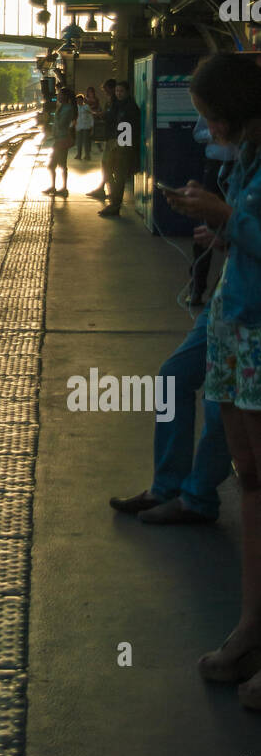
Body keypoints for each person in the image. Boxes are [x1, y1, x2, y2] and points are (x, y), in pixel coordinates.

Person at [165, 54, 261, 707]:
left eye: (206, 117)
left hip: (259, 338)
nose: (204, 129)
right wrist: (221, 226)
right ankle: (253, 624)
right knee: (251, 482)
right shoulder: (247, 158)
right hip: (238, 331)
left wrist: (225, 217)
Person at [109, 304, 232, 525]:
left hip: (250, 306)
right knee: (172, 377)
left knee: (220, 402)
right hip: (226, 295)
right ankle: (167, 487)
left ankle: (198, 499)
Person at [189, 114, 237, 307]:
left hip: (236, 165)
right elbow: (197, 134)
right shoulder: (210, 108)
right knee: (205, 224)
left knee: (234, 221)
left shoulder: (243, 108)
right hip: (214, 165)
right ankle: (197, 287)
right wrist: (214, 133)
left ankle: (223, 290)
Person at [98, 80, 140, 218]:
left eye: (121, 91)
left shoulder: (130, 107)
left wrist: (120, 143)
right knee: (108, 169)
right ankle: (114, 201)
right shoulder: (116, 105)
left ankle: (115, 204)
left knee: (119, 174)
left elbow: (129, 127)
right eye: (117, 91)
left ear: (127, 92)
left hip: (123, 144)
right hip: (113, 141)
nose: (118, 93)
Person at [43, 87, 74, 198]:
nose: (58, 97)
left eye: (60, 95)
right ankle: (55, 187)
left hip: (63, 139)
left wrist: (57, 113)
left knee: (60, 165)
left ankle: (63, 188)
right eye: (58, 95)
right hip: (58, 139)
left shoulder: (68, 108)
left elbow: (61, 123)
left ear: (65, 96)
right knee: (54, 165)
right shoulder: (61, 107)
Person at [74, 93, 93, 161]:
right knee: (78, 142)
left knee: (86, 142)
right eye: (78, 100)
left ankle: (87, 155)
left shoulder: (86, 107)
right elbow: (74, 117)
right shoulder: (76, 108)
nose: (79, 102)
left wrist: (92, 126)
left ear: (82, 100)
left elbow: (90, 116)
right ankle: (79, 154)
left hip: (86, 126)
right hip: (78, 126)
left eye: (80, 100)